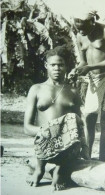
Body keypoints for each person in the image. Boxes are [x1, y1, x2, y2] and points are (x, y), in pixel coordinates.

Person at [24, 46, 89, 191]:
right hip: (44, 144)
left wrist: (85, 147)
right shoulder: (36, 89)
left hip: (67, 147)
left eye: (61, 65)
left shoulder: (73, 91)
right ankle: (40, 169)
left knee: (73, 118)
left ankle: (59, 170)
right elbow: (27, 128)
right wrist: (48, 130)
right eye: (53, 65)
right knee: (49, 127)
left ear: (66, 67)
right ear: (46, 66)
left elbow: (79, 124)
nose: (57, 68)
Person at [70, 10, 105, 162]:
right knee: (89, 117)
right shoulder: (79, 35)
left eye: (83, 28)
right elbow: (83, 61)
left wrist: (90, 68)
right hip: (94, 78)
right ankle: (87, 156)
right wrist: (77, 69)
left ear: (92, 21)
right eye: (77, 27)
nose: (80, 31)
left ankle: (101, 160)